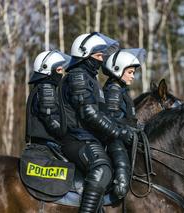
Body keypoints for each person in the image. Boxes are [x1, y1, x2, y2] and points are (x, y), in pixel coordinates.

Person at [60, 32, 136, 213]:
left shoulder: (90, 79)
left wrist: (124, 128)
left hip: (87, 138)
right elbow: (89, 113)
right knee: (101, 168)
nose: (102, 60)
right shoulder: (77, 76)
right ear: (84, 54)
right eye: (98, 55)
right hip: (76, 138)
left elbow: (105, 115)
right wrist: (118, 133)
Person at [102, 48, 146, 199]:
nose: (133, 76)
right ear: (117, 69)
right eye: (130, 72)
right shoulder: (114, 90)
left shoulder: (121, 90)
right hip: (114, 139)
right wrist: (127, 130)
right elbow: (112, 118)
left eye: (133, 73)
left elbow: (126, 117)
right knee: (122, 166)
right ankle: (118, 191)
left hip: (124, 135)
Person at [25, 50, 71, 145]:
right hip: (47, 145)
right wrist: (72, 134)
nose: (62, 74)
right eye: (59, 70)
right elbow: (52, 121)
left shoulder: (44, 87)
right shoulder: (46, 88)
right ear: (48, 70)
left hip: (47, 143)